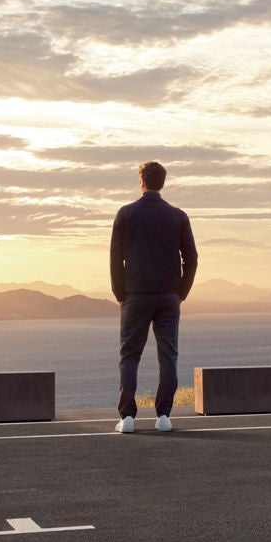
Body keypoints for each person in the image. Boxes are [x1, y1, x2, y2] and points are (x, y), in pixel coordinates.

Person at [109, 161, 198, 433]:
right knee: (168, 356)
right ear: (163, 182)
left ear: (142, 181)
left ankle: (127, 418)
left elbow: (115, 258)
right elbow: (191, 258)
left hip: (135, 295)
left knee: (129, 356)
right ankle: (164, 416)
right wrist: (180, 293)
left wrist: (120, 293)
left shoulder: (126, 214)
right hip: (168, 296)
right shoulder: (178, 216)